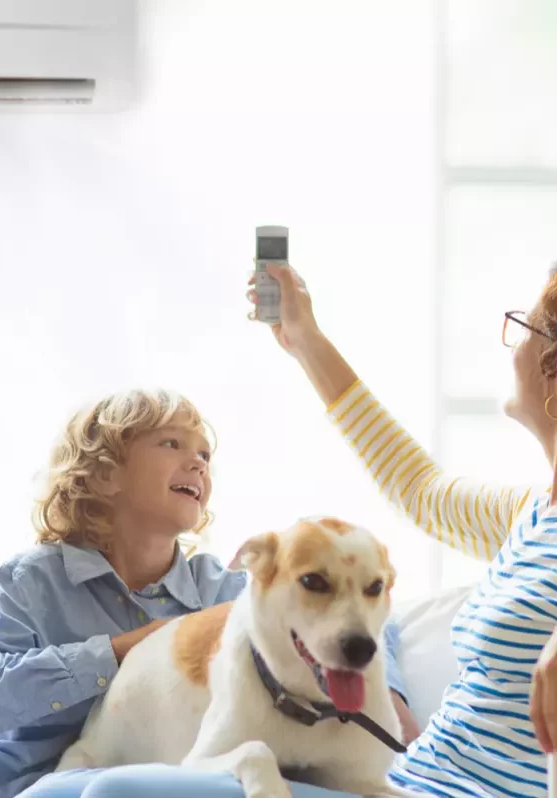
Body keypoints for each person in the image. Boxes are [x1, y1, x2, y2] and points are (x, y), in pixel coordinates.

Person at [0, 388, 414, 798]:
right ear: (103, 473)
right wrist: (116, 652)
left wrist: (386, 696)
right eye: (172, 444)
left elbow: (337, 614)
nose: (198, 464)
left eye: (204, 454)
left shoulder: (220, 589)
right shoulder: (34, 579)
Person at [249, 261, 557, 797]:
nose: (510, 351)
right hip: (405, 783)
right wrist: (305, 340)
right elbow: (420, 491)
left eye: (523, 330)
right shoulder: (530, 513)